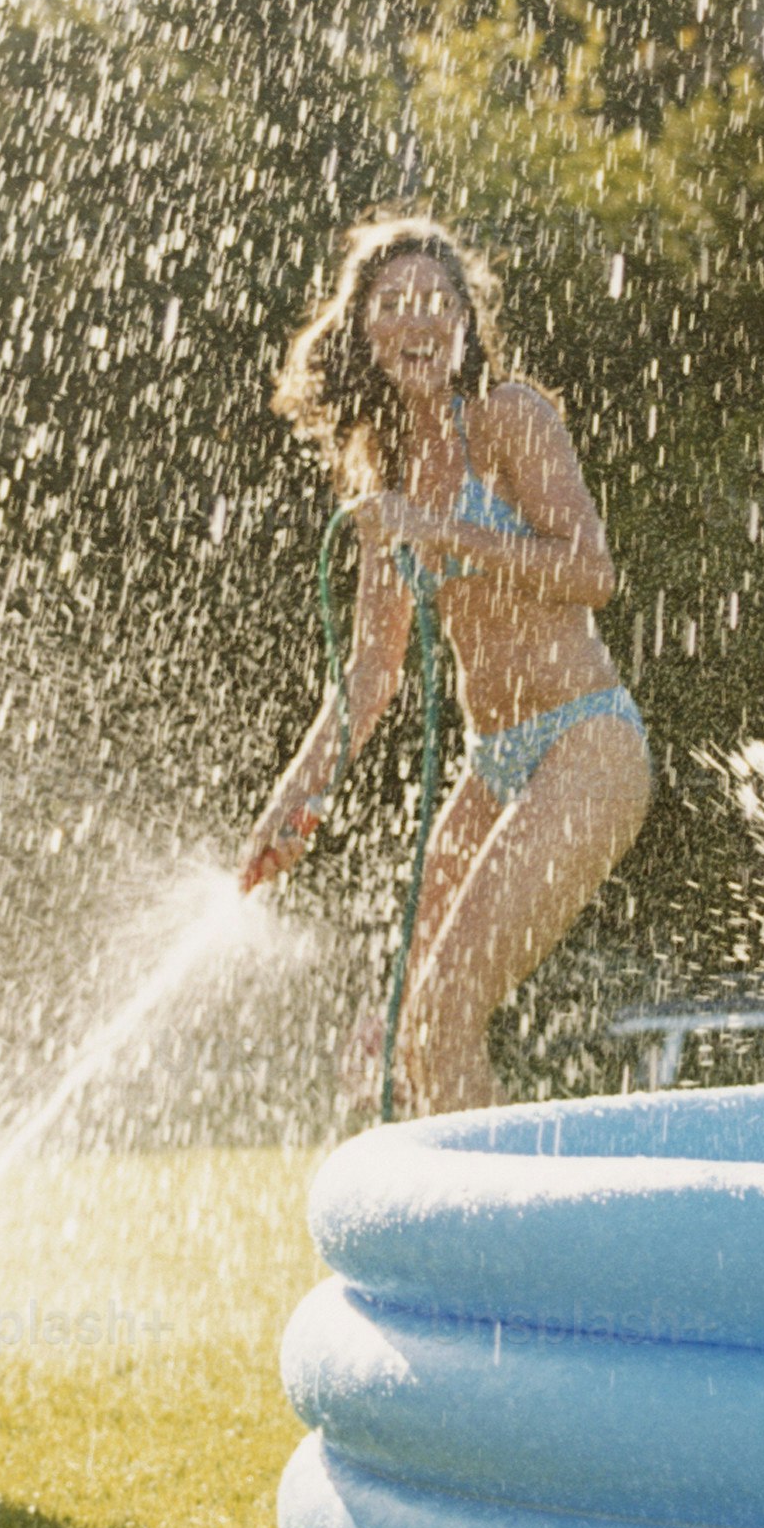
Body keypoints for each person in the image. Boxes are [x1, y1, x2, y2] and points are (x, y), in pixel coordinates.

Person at [238, 214, 649, 1117]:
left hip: (586, 740)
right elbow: (371, 675)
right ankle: (458, 1237)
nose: (414, 318)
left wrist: (444, 531)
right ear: (365, 330)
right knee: (393, 1033)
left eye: (434, 300)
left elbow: (593, 572)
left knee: (443, 1011)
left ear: (465, 320)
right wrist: (295, 794)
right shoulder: (382, 467)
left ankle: (507, 1254)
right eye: (391, 304)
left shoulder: (510, 415)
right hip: (493, 764)